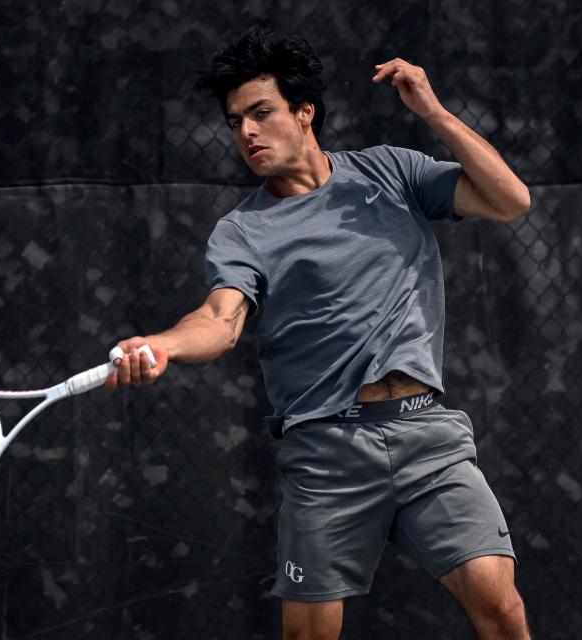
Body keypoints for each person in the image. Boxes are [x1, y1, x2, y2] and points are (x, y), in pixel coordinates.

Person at [106, 27, 532, 640]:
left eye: (261, 113)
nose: (246, 133)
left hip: (425, 437)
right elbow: (220, 321)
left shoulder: (393, 171)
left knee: (504, 611)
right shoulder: (241, 232)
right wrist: (164, 345)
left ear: (305, 112)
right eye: (235, 123)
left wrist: (433, 112)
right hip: (326, 454)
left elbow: (511, 200)